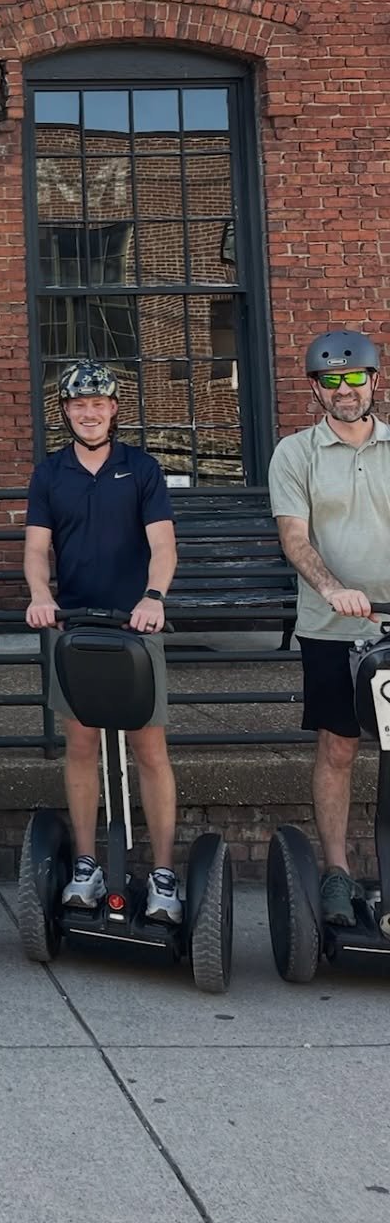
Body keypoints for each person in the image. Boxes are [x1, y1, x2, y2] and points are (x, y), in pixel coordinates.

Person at [23, 361, 181, 922]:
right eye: (77, 405)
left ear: (114, 408)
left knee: (149, 749)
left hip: (137, 625)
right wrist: (41, 596)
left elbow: (163, 545)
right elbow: (37, 551)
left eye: (99, 404)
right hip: (77, 629)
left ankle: (163, 874)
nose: (88, 413)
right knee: (81, 745)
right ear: (65, 412)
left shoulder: (141, 468)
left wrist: (153, 597)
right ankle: (86, 863)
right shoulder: (50, 474)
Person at [267, 329, 390, 928]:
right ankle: (338, 872)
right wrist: (333, 590)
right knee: (339, 747)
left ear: (375, 380)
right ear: (316, 389)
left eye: (355, 378)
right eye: (332, 381)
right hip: (334, 626)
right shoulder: (296, 453)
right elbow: (295, 538)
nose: (345, 390)